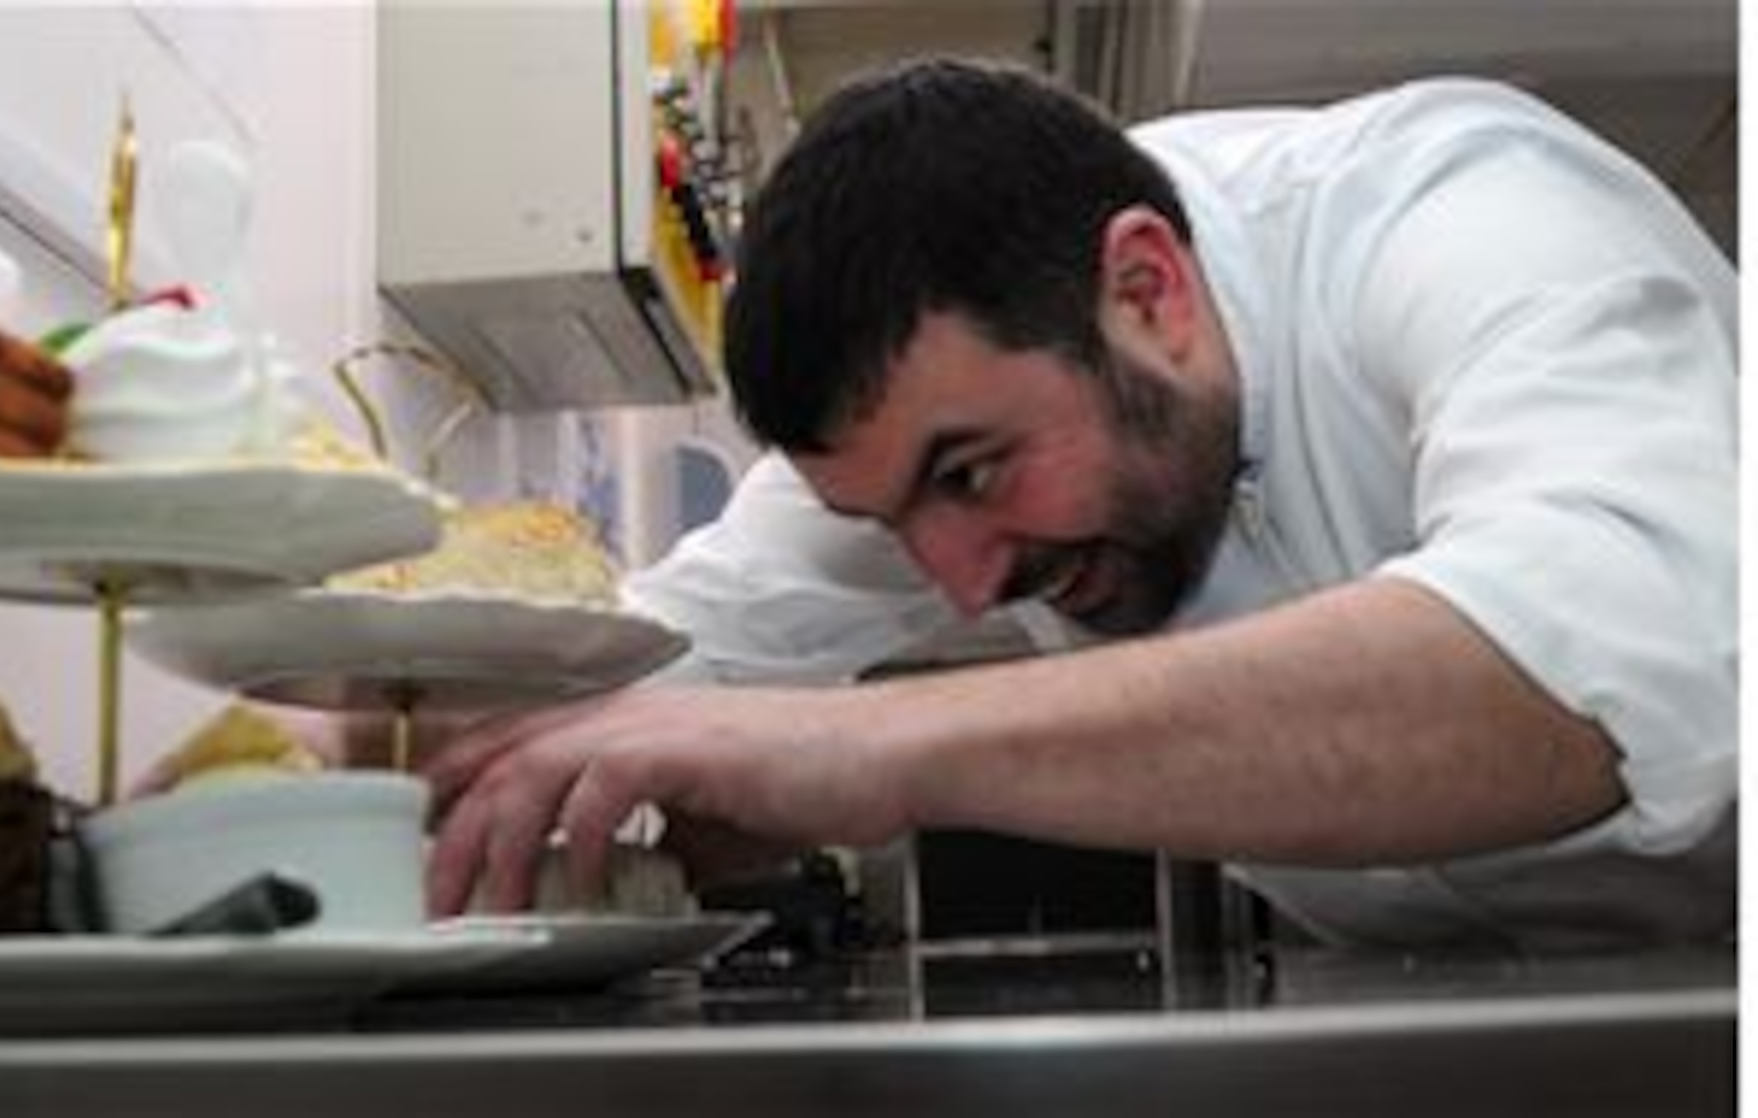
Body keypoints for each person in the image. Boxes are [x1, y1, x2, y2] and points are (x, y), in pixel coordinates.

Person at [423, 58, 1737, 950]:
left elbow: (1605, 655)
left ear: (1149, 290)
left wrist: (878, 748)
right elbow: (636, 663)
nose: (960, 580)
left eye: (972, 475)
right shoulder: (935, 410)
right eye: (891, 525)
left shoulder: (1461, 212)